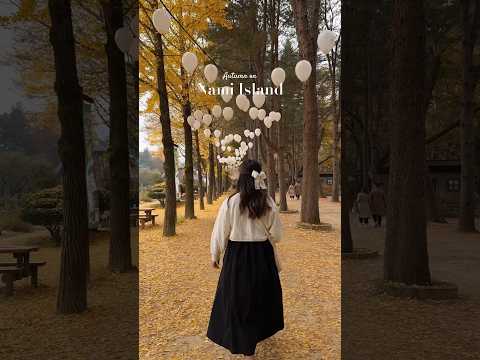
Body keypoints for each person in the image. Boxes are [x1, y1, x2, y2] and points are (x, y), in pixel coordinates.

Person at [207, 160, 284, 359]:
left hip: (237, 256)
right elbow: (277, 234)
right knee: (261, 297)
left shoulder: (231, 202)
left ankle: (246, 345)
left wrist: (215, 254)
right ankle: (257, 336)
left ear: (241, 178)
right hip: (262, 255)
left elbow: (220, 231)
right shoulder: (267, 202)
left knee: (238, 299)